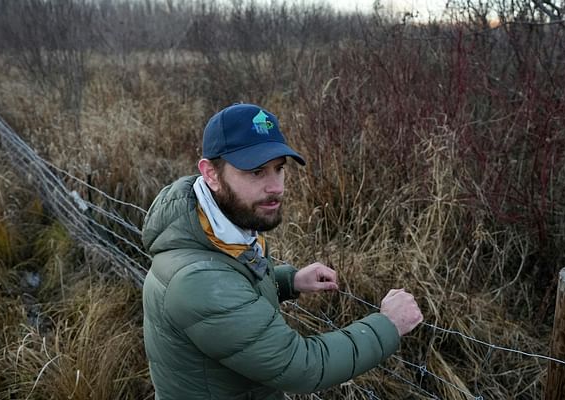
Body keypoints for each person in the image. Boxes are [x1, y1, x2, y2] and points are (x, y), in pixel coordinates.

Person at [141, 103, 423, 399]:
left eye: (279, 169)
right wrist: (387, 326)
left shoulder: (208, 227)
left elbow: (230, 290)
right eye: (256, 172)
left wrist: (289, 280)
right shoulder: (197, 279)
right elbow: (299, 366)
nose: (276, 187)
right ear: (211, 173)